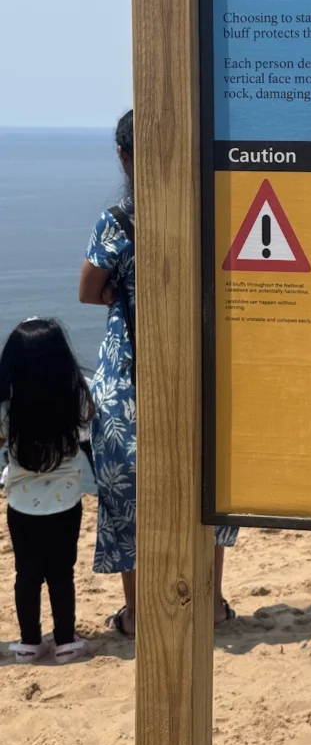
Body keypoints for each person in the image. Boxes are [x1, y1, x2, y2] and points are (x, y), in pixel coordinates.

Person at [79, 110, 238, 637]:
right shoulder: (208, 207)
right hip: (201, 362)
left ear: (124, 158)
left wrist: (117, 290)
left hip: (130, 371)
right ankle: (211, 603)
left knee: (125, 492)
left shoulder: (119, 220)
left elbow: (88, 289)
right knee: (208, 484)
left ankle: (138, 608)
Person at [0, 317, 91, 664]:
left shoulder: (9, 412)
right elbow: (89, 419)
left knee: (27, 573)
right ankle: (66, 640)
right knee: (60, 572)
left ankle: (29, 642)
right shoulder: (74, 403)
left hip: (22, 506)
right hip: (67, 503)